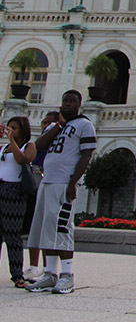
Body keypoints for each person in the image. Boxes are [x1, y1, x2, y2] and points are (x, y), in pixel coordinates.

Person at [25, 90, 96, 295]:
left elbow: (86, 155)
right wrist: (57, 124)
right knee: (46, 228)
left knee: (62, 228)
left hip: (64, 182)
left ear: (79, 104)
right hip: (48, 181)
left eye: (72, 101)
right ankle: (49, 273)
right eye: (65, 100)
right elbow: (38, 146)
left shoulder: (84, 125)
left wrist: (73, 181)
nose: (68, 104)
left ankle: (67, 275)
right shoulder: (60, 127)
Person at [22, 111, 59, 282]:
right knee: (35, 227)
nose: (45, 126)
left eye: (49, 123)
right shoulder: (42, 140)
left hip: (47, 180)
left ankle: (46, 268)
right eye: (44, 123)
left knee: (45, 228)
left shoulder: (55, 137)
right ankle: (34, 266)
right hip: (36, 179)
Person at [0, 116, 37, 288]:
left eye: (14, 128)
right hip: (1, 187)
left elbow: (22, 159)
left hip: (15, 192)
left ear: (22, 130)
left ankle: (17, 275)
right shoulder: (3, 148)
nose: (10, 130)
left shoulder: (27, 146)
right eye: (9, 127)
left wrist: (12, 142)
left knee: (12, 235)